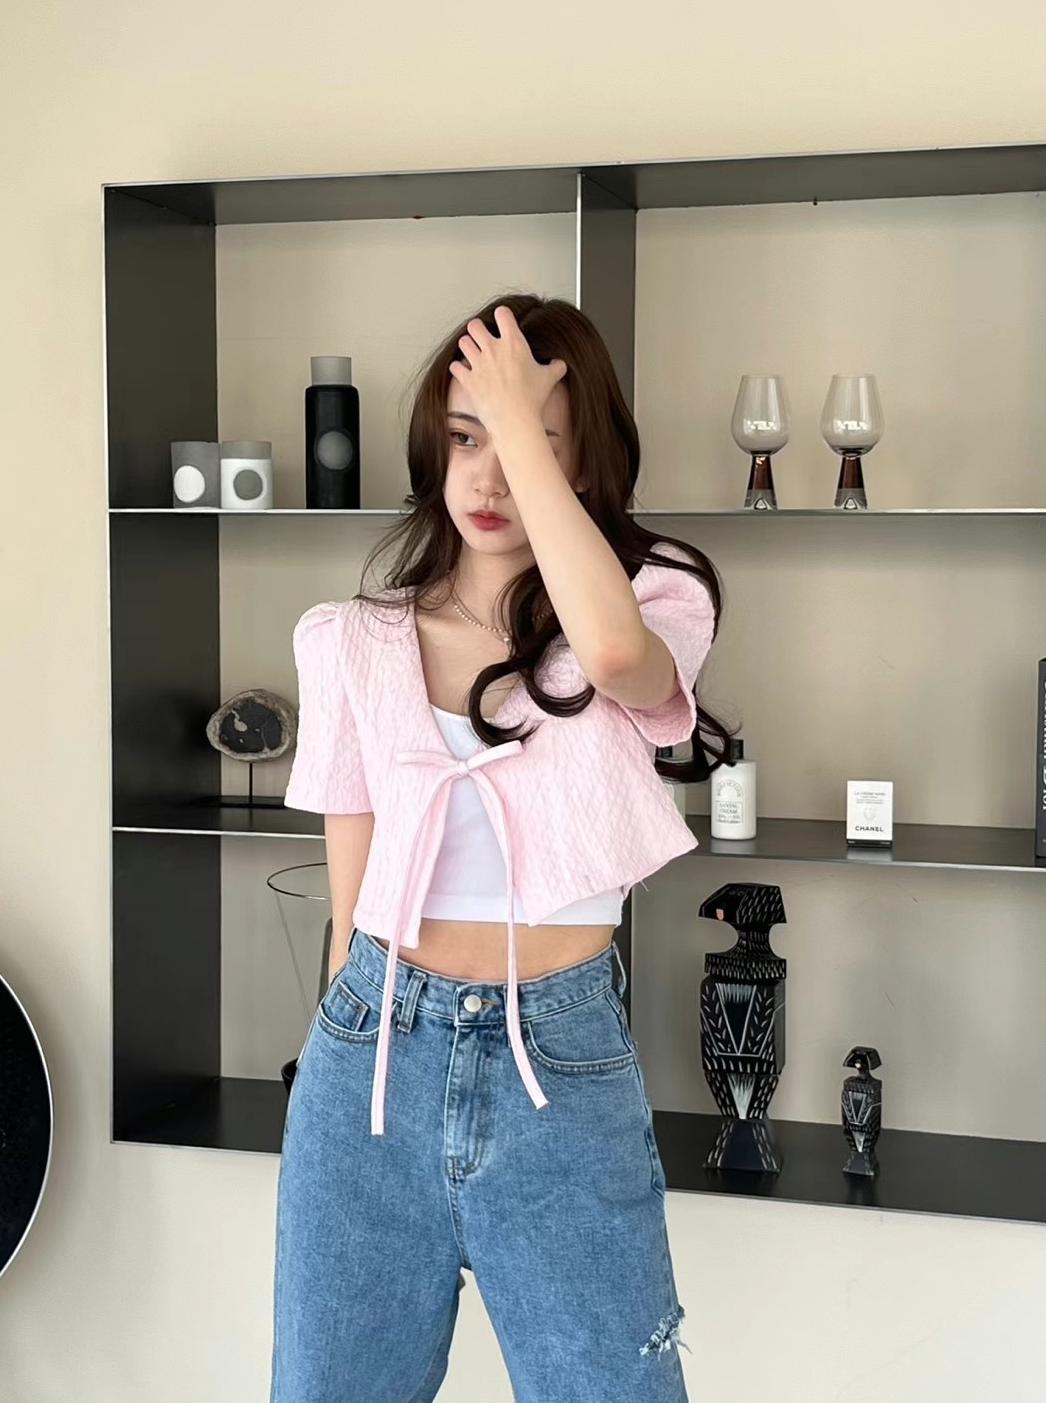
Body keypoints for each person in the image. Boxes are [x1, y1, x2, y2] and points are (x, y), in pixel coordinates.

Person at [271, 293, 733, 1403]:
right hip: (371, 1059)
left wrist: (521, 426)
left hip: (558, 1067)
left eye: (530, 441)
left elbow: (615, 657)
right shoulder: (352, 639)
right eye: (464, 436)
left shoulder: (656, 598)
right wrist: (340, 1040)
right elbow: (352, 892)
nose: (487, 477)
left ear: (579, 460)